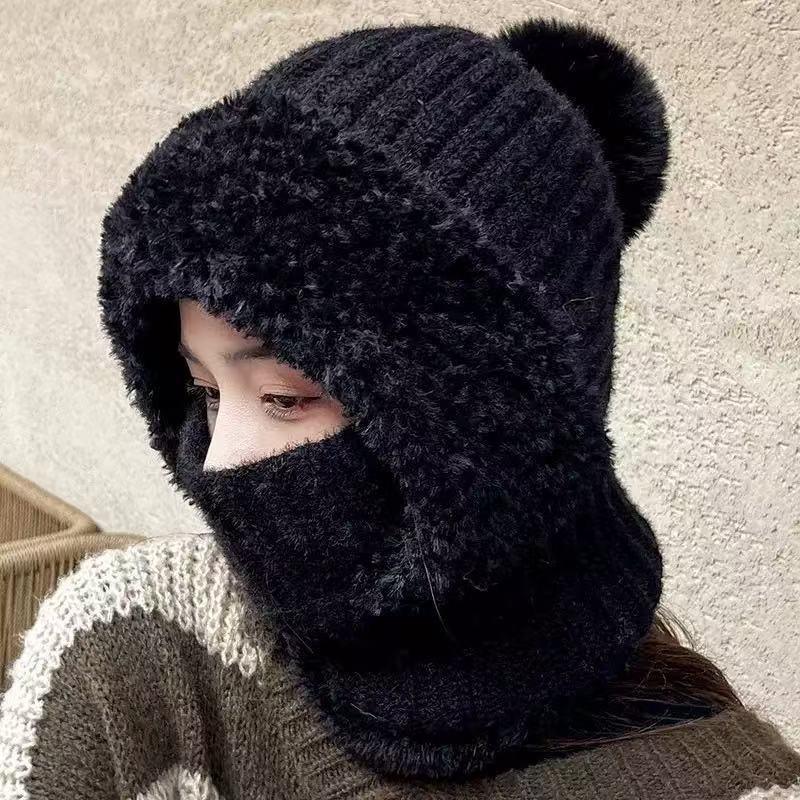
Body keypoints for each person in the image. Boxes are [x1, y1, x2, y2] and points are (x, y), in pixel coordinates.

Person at [1, 15, 799, 800]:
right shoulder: (130, 657)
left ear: (493, 425)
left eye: (284, 396)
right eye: (206, 391)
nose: (218, 460)